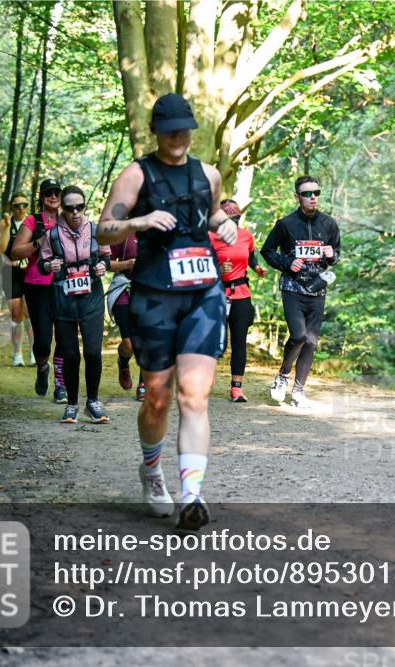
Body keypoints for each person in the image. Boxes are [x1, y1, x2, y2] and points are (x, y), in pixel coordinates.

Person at [97, 92, 238, 532]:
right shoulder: (137, 174)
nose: (178, 135)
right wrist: (139, 222)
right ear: (156, 131)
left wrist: (224, 224)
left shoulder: (208, 174)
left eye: (184, 127)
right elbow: (104, 229)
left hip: (203, 292)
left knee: (193, 395)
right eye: (169, 128)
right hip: (156, 292)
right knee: (157, 394)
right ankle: (152, 471)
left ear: (192, 129)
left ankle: (192, 495)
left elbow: (210, 214)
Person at [261, 175, 341, 408]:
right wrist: (287, 263)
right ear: (297, 197)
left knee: (311, 341)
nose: (312, 197)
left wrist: (330, 255)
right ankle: (282, 376)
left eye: (316, 193)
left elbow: (335, 254)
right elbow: (267, 251)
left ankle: (298, 391)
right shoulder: (285, 224)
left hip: (317, 288)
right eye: (307, 194)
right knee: (298, 335)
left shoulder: (329, 224)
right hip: (293, 287)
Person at [37, 185, 111, 424]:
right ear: (63, 210)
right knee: (70, 354)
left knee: (92, 352)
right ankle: (71, 404)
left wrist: (103, 266)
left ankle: (93, 402)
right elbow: (42, 263)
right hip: (63, 298)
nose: (76, 212)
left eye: (80, 207)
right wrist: (49, 267)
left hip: (92, 297)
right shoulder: (53, 235)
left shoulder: (97, 231)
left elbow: (106, 257)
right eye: (70, 208)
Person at [10, 178, 68, 403]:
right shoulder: (33, 221)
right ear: (41, 197)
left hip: (65, 284)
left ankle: (60, 384)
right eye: (48, 193)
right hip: (37, 285)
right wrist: (39, 242)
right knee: (43, 339)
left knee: (64, 337)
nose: (53, 196)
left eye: (56, 192)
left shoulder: (69, 219)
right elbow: (15, 253)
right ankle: (43, 367)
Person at [211, 199, 266, 402]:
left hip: (241, 294)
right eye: (230, 218)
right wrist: (218, 270)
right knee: (218, 343)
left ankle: (236, 388)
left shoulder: (246, 236)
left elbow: (251, 257)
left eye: (237, 218)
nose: (234, 222)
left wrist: (257, 268)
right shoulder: (211, 237)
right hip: (216, 295)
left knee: (239, 342)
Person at [0, 192, 34, 367]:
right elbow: (0, 248)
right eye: (17, 205)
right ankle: (17, 355)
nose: (21, 209)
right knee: (16, 314)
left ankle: (34, 353)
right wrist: (8, 226)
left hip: (30, 273)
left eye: (24, 205)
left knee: (31, 314)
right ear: (11, 207)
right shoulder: (4, 223)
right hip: (11, 273)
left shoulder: (32, 222)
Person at [107, 231, 146, 401]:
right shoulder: (123, 234)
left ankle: (144, 384)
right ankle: (123, 363)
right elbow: (107, 264)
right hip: (124, 288)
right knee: (129, 344)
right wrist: (128, 264)